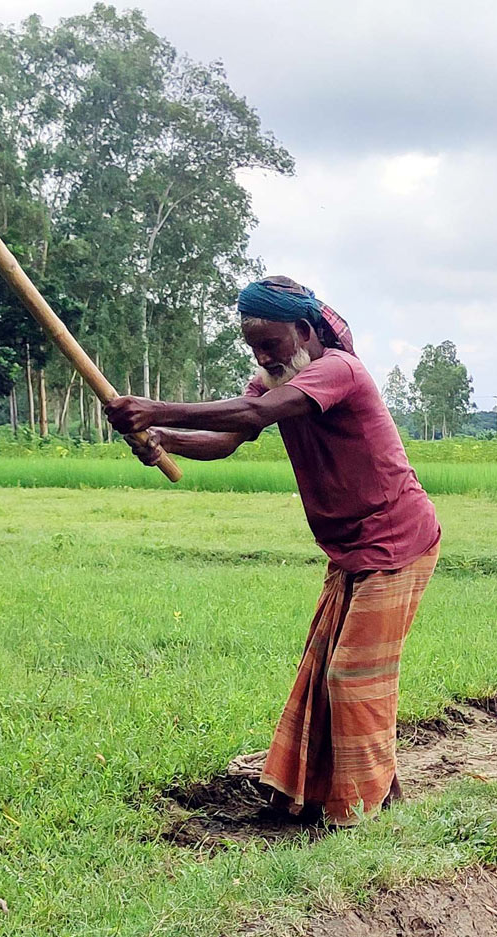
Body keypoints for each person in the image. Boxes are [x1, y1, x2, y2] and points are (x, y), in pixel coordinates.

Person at [105, 277, 442, 826]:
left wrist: (156, 410)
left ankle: (363, 811)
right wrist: (162, 438)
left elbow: (254, 416)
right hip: (351, 549)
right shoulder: (271, 379)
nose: (263, 357)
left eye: (272, 344)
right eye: (253, 347)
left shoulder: (338, 371)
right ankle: (381, 795)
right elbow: (228, 437)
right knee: (330, 673)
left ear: (305, 332)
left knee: (352, 677)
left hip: (398, 539)